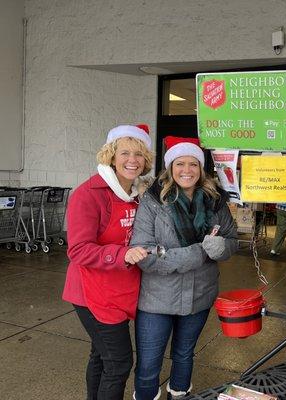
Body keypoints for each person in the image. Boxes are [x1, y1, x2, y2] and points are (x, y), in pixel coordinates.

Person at [130, 136, 238, 400]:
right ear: (170, 167)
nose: (186, 170)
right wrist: (199, 252)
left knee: (184, 355)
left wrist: (221, 248)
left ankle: (179, 395)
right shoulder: (153, 201)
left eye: (193, 164)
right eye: (180, 164)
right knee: (147, 365)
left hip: (199, 296)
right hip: (156, 300)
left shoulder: (215, 201)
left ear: (201, 169)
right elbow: (145, 254)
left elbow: (232, 241)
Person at [63, 124, 154, 400]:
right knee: (119, 362)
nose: (132, 160)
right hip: (91, 293)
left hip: (119, 289)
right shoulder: (89, 193)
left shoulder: (138, 194)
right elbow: (78, 250)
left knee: (101, 356)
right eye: (125, 152)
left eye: (138, 154)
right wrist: (121, 253)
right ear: (111, 156)